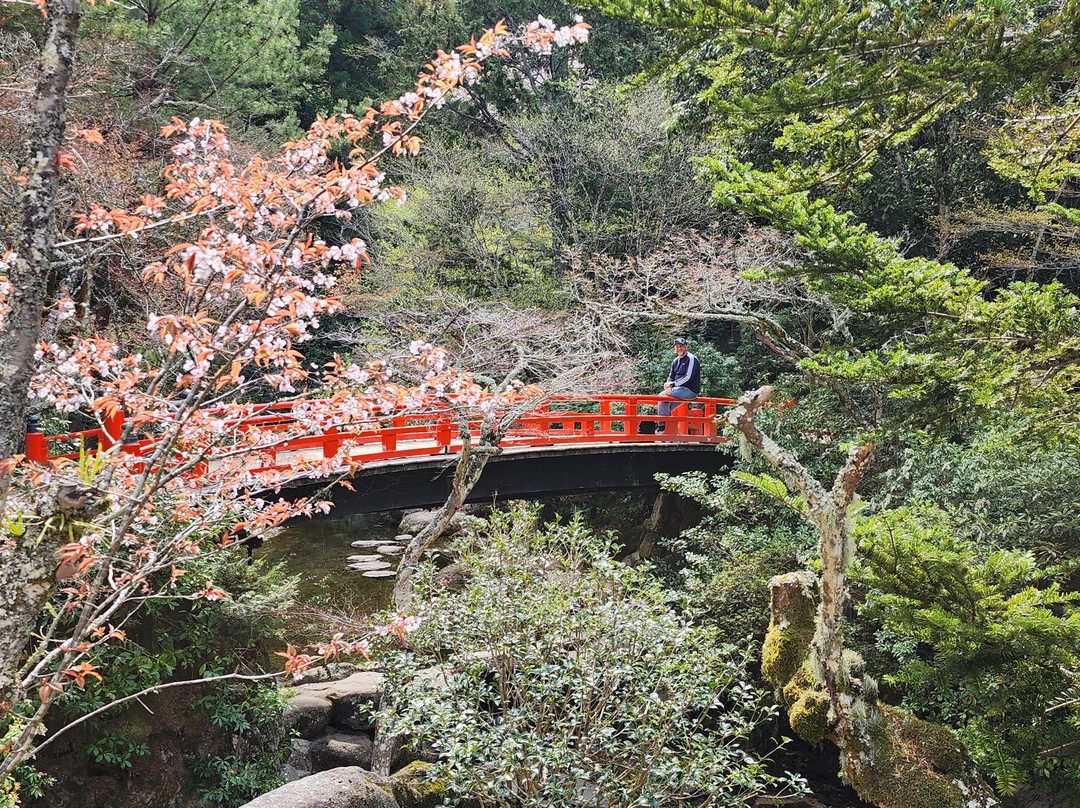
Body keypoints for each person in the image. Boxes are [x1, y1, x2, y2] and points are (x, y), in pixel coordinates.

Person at [656, 338, 700, 432]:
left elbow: (688, 377)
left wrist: (671, 385)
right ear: (674, 349)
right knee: (665, 403)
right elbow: (671, 376)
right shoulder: (675, 361)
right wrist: (668, 385)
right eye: (677, 347)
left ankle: (662, 427)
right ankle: (670, 429)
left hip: (689, 390)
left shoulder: (691, 359)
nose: (679, 348)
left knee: (662, 396)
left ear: (686, 347)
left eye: (681, 346)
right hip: (677, 390)